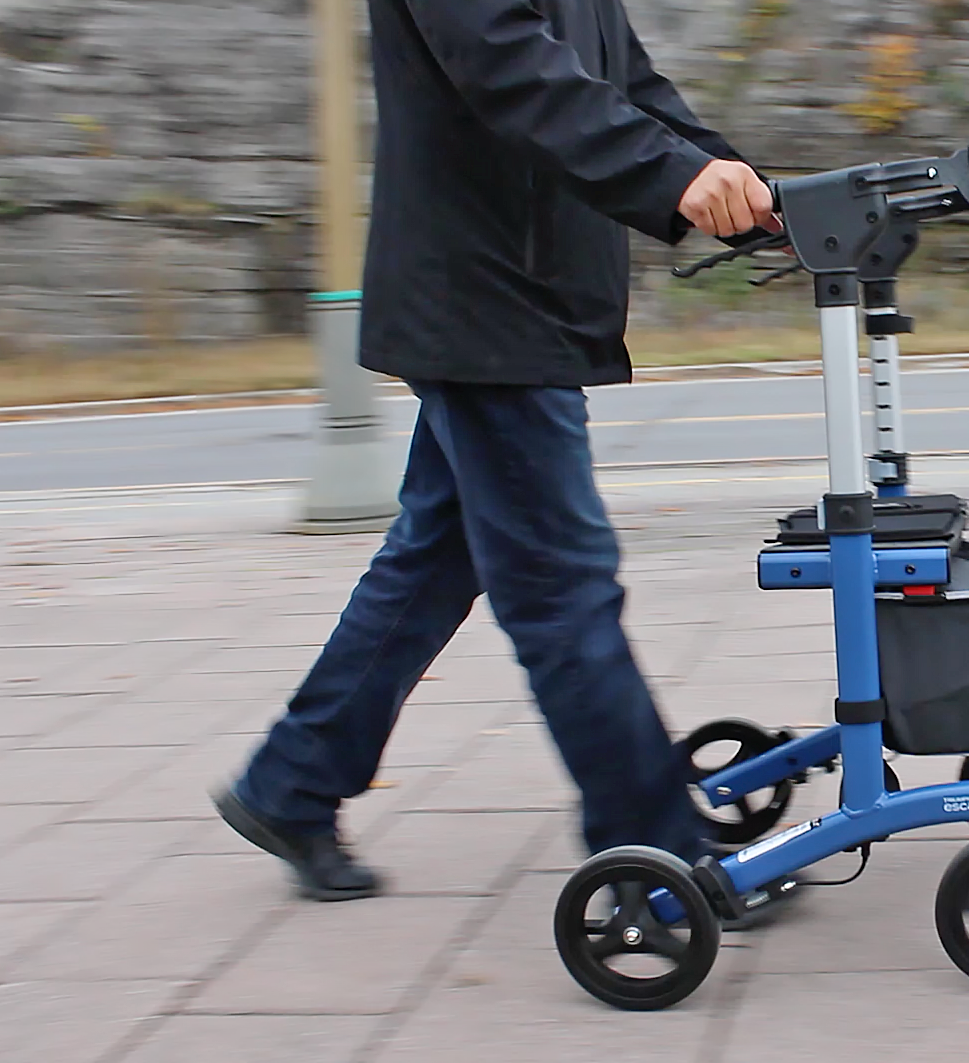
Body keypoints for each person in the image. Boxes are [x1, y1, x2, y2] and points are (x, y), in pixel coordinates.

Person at [211, 0, 780, 900]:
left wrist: (742, 185)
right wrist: (673, 176)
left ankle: (293, 780)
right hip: (485, 297)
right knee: (562, 583)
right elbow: (511, 68)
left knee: (439, 554)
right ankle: (657, 852)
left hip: (521, 291)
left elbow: (622, 81)